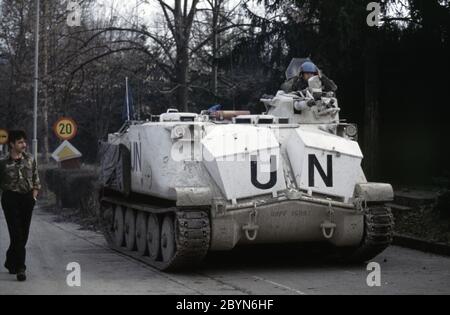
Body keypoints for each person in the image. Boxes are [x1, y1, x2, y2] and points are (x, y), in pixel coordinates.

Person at [0, 130, 40, 282]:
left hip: (27, 199)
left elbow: (36, 178)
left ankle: (10, 260)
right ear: (12, 144)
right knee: (16, 233)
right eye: (20, 142)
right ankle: (20, 268)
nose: (24, 145)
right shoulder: (3, 163)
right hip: (10, 199)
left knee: (24, 233)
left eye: (24, 142)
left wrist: (34, 196)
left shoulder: (30, 159)